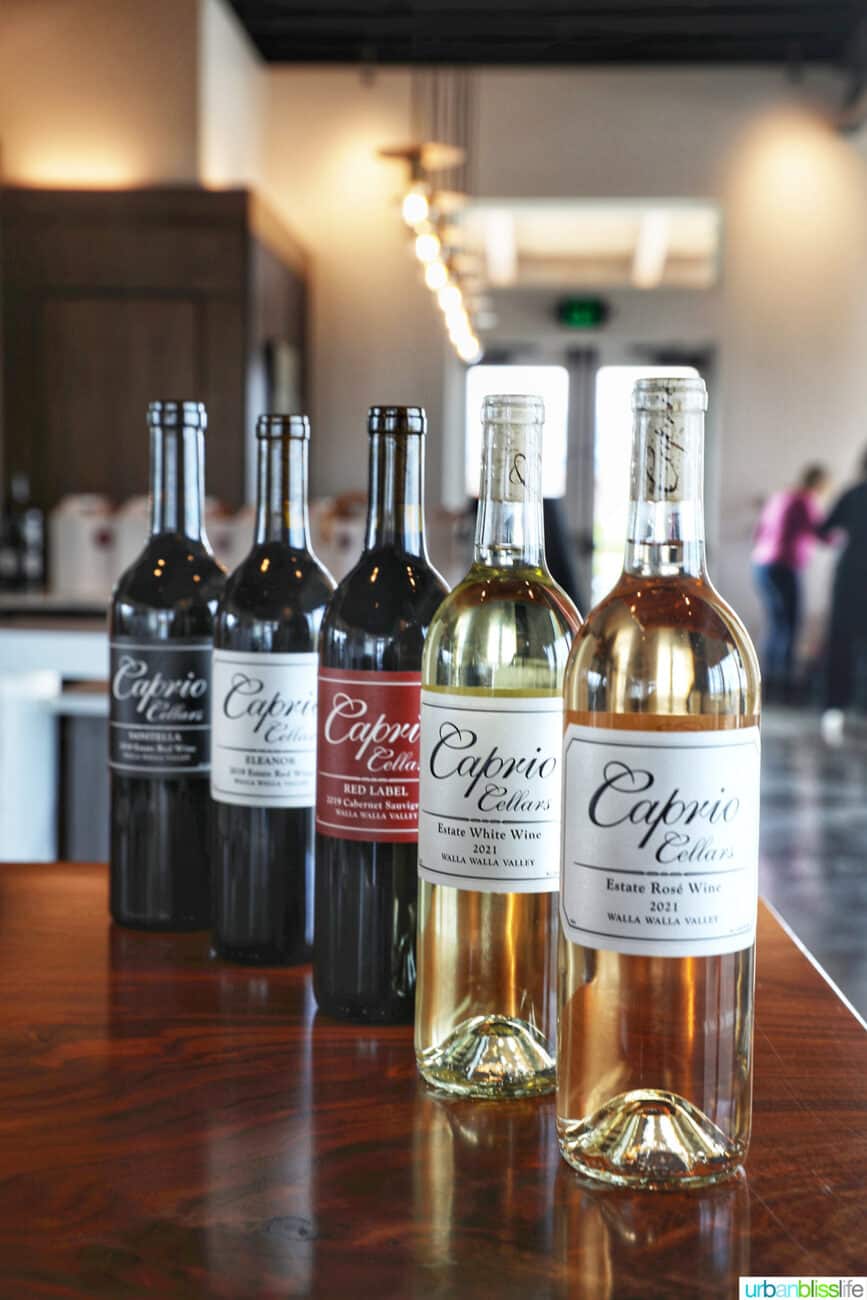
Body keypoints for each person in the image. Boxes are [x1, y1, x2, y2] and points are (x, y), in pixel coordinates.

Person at [752, 463, 829, 702]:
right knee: (788, 626)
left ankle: (769, 685)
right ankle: (783, 687)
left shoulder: (780, 497)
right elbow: (824, 535)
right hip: (785, 566)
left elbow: (760, 531)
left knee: (776, 624)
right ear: (819, 483)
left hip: (762, 564)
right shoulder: (805, 501)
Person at [817, 449, 867, 737]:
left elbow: (823, 529)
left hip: (850, 578)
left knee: (841, 644)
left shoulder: (853, 493)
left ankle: (835, 706)